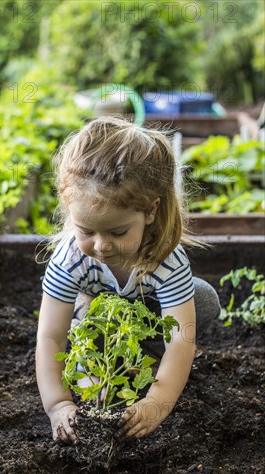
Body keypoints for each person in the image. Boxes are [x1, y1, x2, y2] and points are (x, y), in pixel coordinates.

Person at [36, 116, 220, 445]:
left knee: (202, 299)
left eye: (118, 232)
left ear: (150, 212)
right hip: (96, 319)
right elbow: (50, 338)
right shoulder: (69, 260)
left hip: (145, 315)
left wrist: (157, 402)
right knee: (84, 323)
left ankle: (141, 363)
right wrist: (58, 404)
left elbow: (181, 339)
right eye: (86, 231)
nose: (101, 245)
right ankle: (93, 360)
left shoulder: (167, 259)